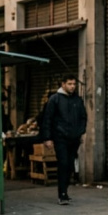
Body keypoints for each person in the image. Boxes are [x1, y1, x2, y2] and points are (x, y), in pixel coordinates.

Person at [41, 74, 87, 205]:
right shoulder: (54, 99)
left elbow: (83, 117)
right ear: (63, 84)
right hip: (60, 137)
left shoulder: (77, 100)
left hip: (74, 138)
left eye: (74, 84)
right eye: (69, 84)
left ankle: (65, 192)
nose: (72, 87)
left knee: (70, 165)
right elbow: (47, 119)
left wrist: (80, 132)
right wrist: (47, 138)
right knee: (63, 163)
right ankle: (62, 194)